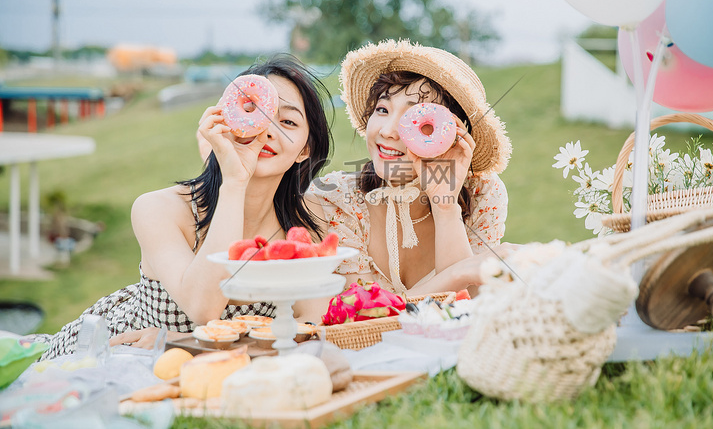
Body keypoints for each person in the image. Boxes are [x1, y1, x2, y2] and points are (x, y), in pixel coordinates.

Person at [28, 55, 333, 358]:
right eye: (254, 111)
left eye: (288, 122)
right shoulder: (159, 209)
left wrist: (186, 341)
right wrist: (236, 182)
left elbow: (309, 331)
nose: (267, 130)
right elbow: (204, 308)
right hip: (108, 356)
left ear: (304, 149)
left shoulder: (305, 224)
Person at [304, 39, 515, 311]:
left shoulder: (482, 194)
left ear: (453, 133)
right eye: (382, 109)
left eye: (416, 117)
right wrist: (455, 276)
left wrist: (446, 206)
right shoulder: (332, 199)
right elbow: (364, 316)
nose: (389, 130)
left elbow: (478, 308)